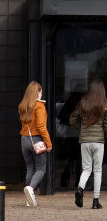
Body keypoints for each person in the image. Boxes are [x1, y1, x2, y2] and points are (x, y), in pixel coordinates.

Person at [70, 80, 107, 210]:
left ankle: (80, 190)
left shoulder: (83, 103)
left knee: (87, 169)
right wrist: (102, 134)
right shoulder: (105, 106)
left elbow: (72, 119)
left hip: (85, 141)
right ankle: (95, 202)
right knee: (98, 170)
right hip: (98, 142)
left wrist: (82, 130)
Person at [18, 80, 52, 208]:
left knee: (30, 168)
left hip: (24, 140)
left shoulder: (23, 106)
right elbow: (41, 127)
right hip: (36, 140)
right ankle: (31, 190)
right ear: (37, 93)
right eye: (41, 92)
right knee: (41, 168)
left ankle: (29, 200)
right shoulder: (39, 106)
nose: (41, 95)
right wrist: (48, 144)